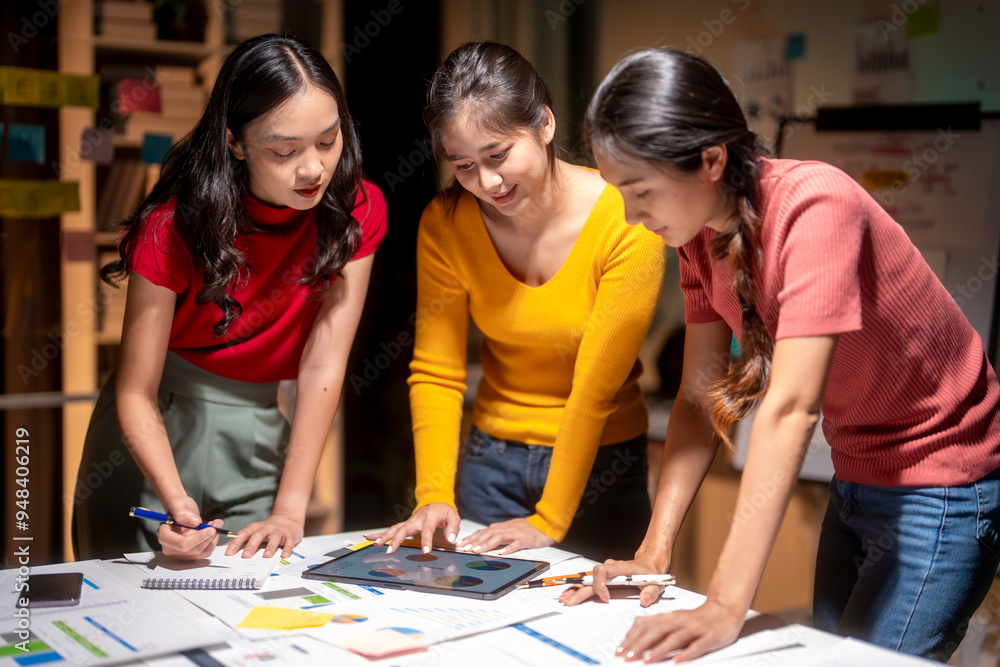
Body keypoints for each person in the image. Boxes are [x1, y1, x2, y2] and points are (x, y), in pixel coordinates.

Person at [563, 47, 1000, 663]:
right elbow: (697, 396)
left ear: (711, 159)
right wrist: (653, 549)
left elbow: (790, 407)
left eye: (640, 192)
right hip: (856, 473)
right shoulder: (700, 240)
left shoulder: (815, 205)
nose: (634, 218)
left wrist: (723, 605)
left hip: (942, 484)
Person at [72, 34, 387, 562]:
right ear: (235, 143)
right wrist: (174, 500)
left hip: (261, 428)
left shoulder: (358, 212)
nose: (312, 169)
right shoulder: (172, 226)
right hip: (157, 433)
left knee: (248, 610)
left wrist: (289, 508)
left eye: (328, 141)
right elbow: (135, 391)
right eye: (284, 151)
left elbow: (322, 366)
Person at [372, 42, 665, 561]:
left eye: (498, 155)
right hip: (492, 461)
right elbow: (437, 373)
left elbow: (593, 391)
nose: (486, 183)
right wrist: (434, 496)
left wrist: (550, 520)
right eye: (463, 164)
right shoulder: (445, 225)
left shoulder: (626, 219)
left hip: (603, 464)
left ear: (545, 125)